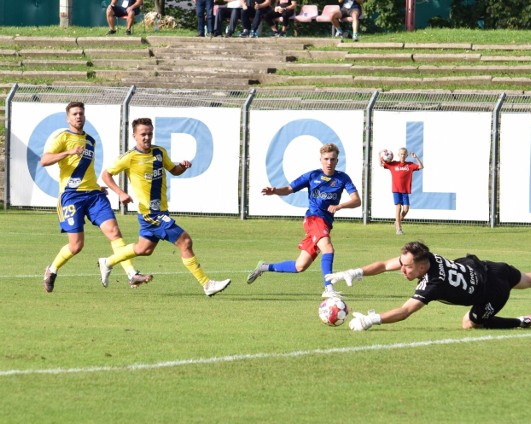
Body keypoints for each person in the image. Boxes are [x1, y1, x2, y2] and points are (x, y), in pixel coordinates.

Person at [98, 118, 231, 297]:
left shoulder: (159, 152)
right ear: (134, 135)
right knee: (185, 241)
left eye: (149, 133)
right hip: (150, 213)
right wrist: (120, 193)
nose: (146, 137)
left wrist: (182, 167)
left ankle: (107, 262)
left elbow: (173, 170)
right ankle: (207, 284)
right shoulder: (129, 157)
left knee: (144, 249)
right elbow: (106, 174)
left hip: (160, 210)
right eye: (143, 134)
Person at [325, 240, 531, 331]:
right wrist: (355, 271)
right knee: (530, 279)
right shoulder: (428, 259)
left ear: (421, 266)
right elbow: (383, 265)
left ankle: (520, 321)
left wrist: (373, 320)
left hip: (492, 292)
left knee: (470, 322)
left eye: (406, 266)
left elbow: (405, 312)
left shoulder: (433, 284)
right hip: (491, 268)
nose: (401, 269)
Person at [41, 102, 152, 293]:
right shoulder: (63, 137)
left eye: (81, 113)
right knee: (76, 246)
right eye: (75, 114)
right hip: (71, 197)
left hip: (93, 195)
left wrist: (96, 186)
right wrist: (68, 152)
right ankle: (51, 270)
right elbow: (44, 160)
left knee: (114, 232)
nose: (78, 117)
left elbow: (86, 169)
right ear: (68, 118)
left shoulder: (90, 140)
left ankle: (131, 274)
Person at [246, 143, 361, 298]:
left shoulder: (342, 178)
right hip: (314, 219)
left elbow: (356, 200)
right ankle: (329, 288)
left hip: (325, 224)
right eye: (326, 159)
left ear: (337, 160)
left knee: (300, 266)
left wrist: (340, 206)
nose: (329, 162)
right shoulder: (312, 176)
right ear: (320, 159)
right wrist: (275, 191)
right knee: (328, 249)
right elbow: (288, 189)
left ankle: (264, 267)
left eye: (332, 159)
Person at [380, 147, 423, 235]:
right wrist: (379, 155)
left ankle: (397, 221)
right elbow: (382, 164)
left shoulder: (409, 165)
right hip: (396, 190)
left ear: (406, 155)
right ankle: (398, 229)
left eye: (404, 154)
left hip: (405, 190)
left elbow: (421, 167)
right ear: (398, 155)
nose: (402, 155)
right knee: (398, 207)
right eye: (401, 154)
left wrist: (416, 157)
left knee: (406, 209)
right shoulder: (393, 164)